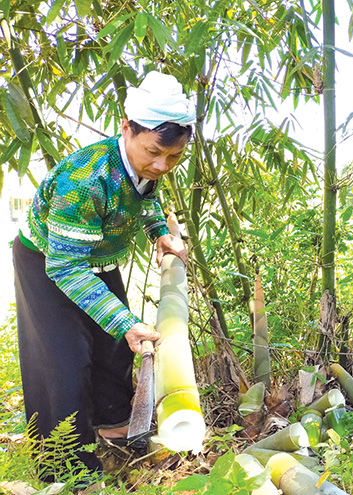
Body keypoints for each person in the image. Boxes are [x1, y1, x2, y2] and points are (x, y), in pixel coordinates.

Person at [12, 71, 195, 482]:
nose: (161, 166)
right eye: (153, 153)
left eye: (174, 157)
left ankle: (113, 434)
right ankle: (66, 473)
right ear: (127, 129)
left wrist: (159, 233)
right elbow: (65, 266)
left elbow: (146, 196)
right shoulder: (86, 179)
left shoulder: (148, 165)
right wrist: (125, 321)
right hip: (48, 262)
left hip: (96, 259)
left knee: (115, 350)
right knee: (65, 362)